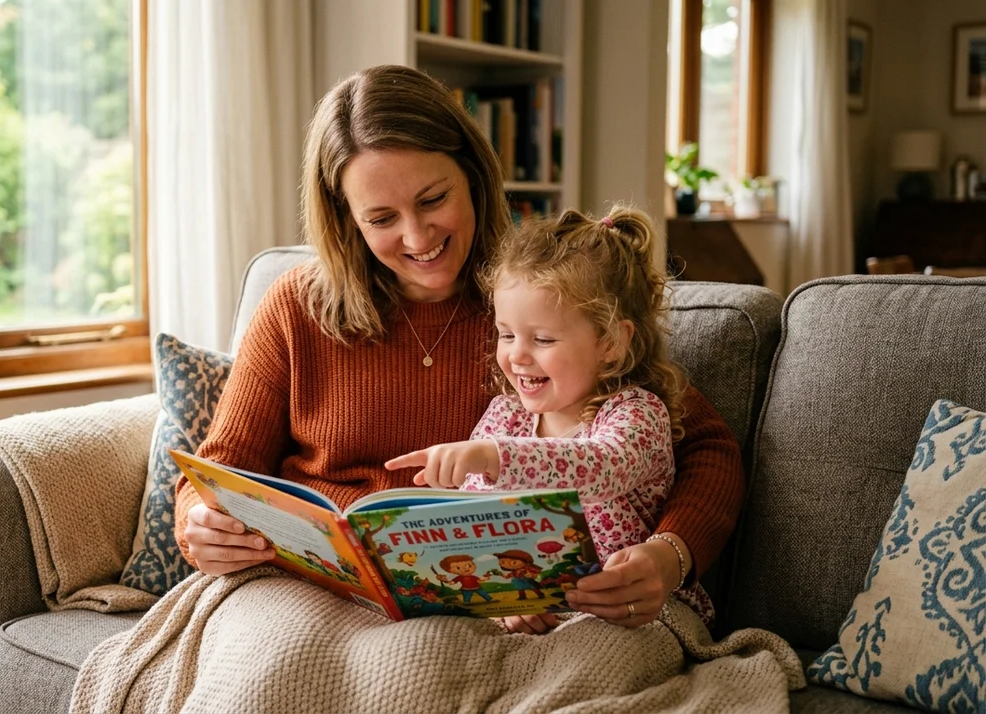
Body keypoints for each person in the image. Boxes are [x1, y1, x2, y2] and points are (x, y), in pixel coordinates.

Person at [174, 64, 744, 632]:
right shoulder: (296, 307)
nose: (419, 238)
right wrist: (200, 524)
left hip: (462, 601)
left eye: (433, 199)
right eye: (381, 218)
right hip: (312, 586)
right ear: (346, 219)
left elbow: (705, 448)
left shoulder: (534, 301)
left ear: (472, 174)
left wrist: (669, 556)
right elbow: (219, 469)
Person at [385, 208, 714, 631]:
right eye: (506, 334)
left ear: (611, 343)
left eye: (542, 339)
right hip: (536, 607)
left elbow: (600, 467)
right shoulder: (506, 415)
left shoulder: (636, 413)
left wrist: (494, 458)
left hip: (634, 613)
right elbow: (478, 522)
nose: (517, 356)